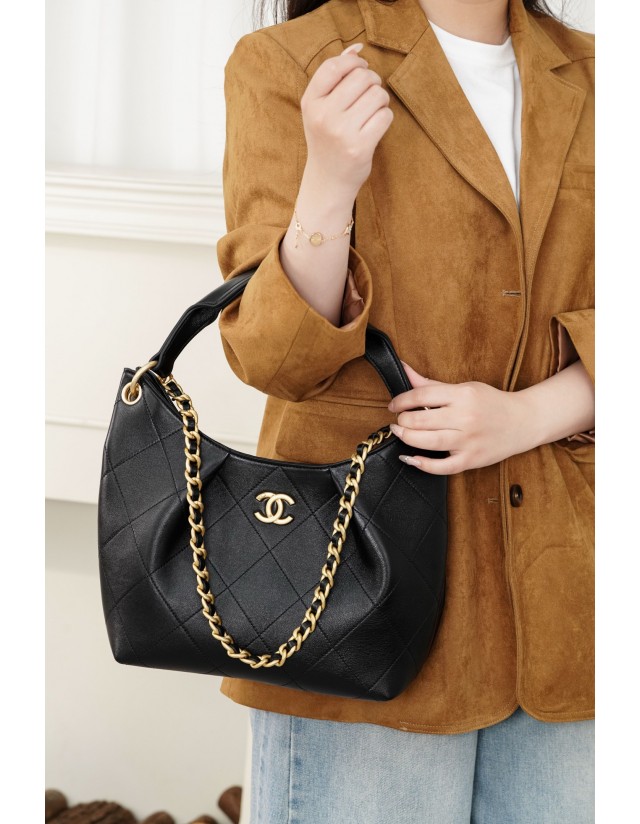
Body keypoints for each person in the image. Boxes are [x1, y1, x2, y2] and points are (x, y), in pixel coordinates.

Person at [215, 0, 595, 821]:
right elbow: (274, 359)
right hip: (355, 598)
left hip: (574, 602)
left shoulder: (604, 77)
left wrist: (529, 415)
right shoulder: (288, 62)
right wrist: (329, 183)